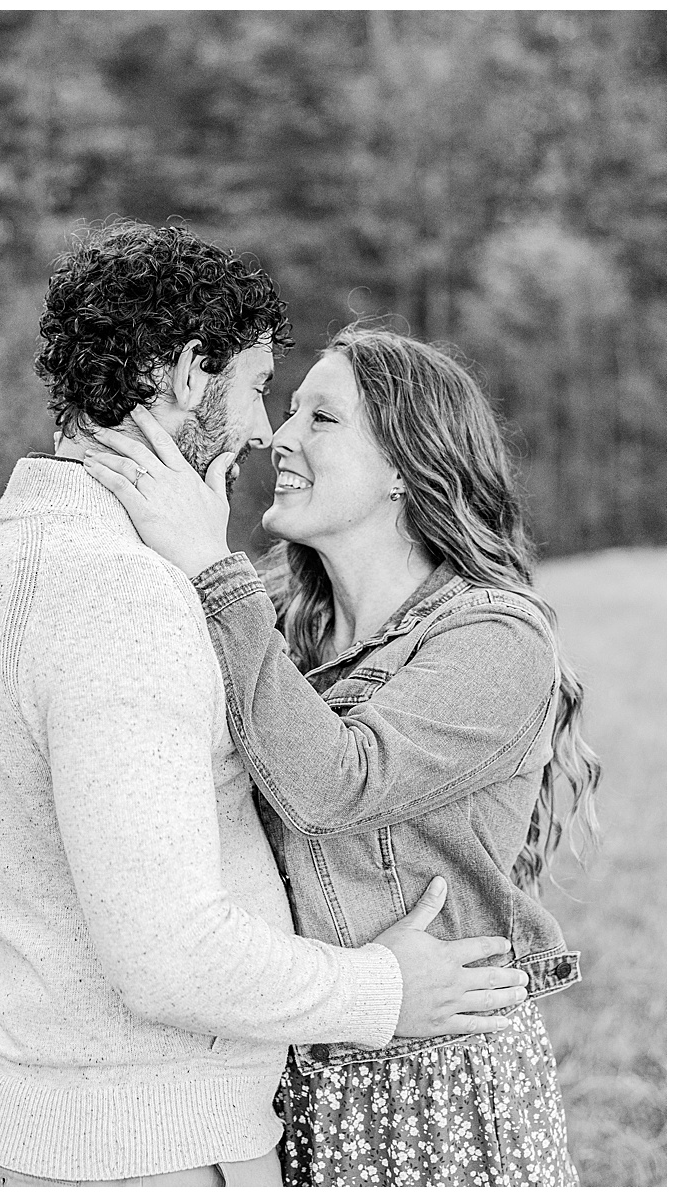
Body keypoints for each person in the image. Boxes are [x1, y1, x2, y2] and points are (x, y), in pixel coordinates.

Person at [0, 221, 531, 1187]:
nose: (264, 432)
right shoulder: (121, 593)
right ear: (186, 373)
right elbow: (165, 954)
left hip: (52, 1111)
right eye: (257, 387)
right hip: (140, 1138)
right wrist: (378, 988)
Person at [84, 321, 597, 1185]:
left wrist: (212, 569)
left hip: (433, 1083)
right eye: (287, 412)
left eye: (322, 419)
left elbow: (333, 782)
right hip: (293, 1072)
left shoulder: (499, 638)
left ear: (406, 464)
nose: (280, 437)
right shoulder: (278, 622)